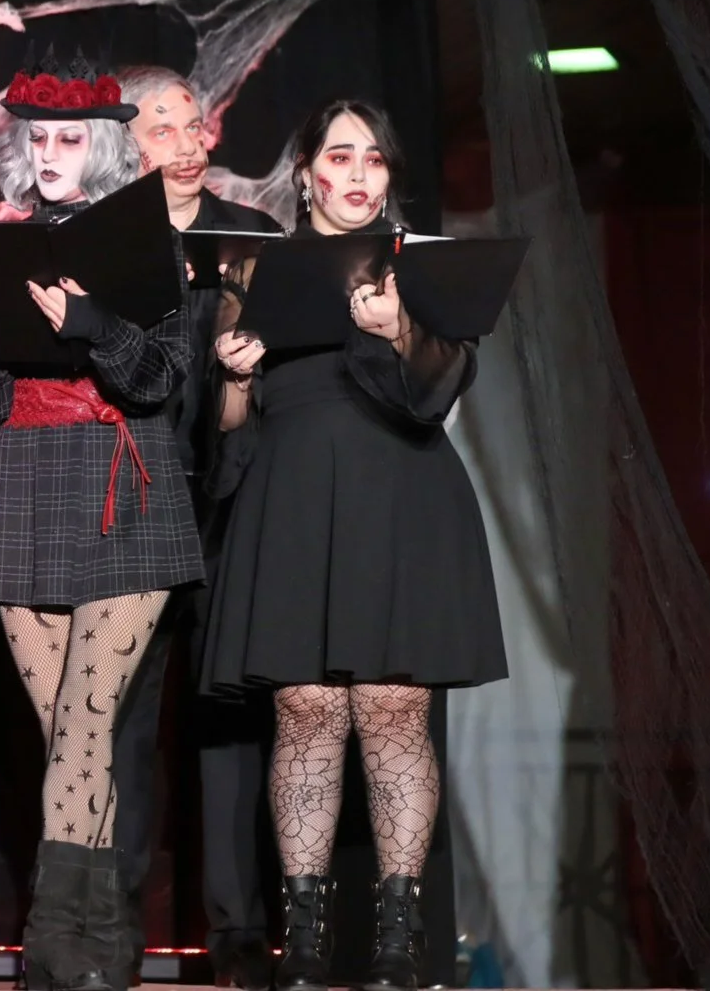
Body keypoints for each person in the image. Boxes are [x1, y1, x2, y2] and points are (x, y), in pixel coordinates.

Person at [202, 101, 507, 991]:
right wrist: (231, 376)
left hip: (400, 492)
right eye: (341, 156)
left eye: (376, 158)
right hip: (294, 493)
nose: (360, 174)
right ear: (305, 174)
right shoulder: (253, 264)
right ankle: (301, 942)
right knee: (303, 710)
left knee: (392, 709)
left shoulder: (420, 267)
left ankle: (400, 943)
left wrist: (395, 331)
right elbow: (228, 428)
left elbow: (437, 393)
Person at [0, 70, 204, 991]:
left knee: (88, 726)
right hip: (23, 486)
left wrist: (89, 320)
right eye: (39, 143)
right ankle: (96, 950)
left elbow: (158, 379)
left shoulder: (143, 241)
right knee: (64, 731)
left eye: (69, 142)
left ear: (100, 148)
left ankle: (52, 948)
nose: (50, 157)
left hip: (125, 487)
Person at [108, 67, 282, 986]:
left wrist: (245, 377)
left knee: (229, 717)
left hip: (228, 505)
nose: (178, 143)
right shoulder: (110, 242)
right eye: (154, 127)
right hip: (129, 508)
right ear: (127, 144)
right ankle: (117, 930)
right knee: (124, 725)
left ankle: (239, 932)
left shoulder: (251, 237)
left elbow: (274, 391)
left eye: (189, 125)